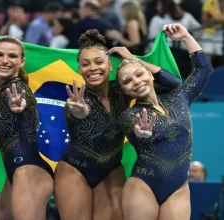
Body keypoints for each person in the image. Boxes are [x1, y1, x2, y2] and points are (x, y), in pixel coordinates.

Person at [54, 29, 181, 220]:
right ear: (79, 69)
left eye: (99, 62)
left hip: (112, 170)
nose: (92, 68)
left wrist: (132, 59)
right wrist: (79, 111)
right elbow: (81, 114)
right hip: (75, 170)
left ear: (110, 65)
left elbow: (172, 84)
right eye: (85, 64)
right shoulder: (76, 101)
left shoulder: (122, 90)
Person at [115, 23, 213, 220]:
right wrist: (141, 134)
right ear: (124, 91)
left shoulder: (179, 96)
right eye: (127, 81)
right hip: (143, 186)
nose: (136, 81)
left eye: (139, 74)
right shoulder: (129, 115)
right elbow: (136, 131)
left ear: (149, 75)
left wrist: (186, 36)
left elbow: (204, 69)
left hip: (178, 189)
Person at [0, 35, 54, 220]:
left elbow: (27, 108)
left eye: (12, 56)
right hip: (15, 172)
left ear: (22, 61)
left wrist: (21, 108)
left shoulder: (20, 90)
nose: (5, 60)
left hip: (29, 172)